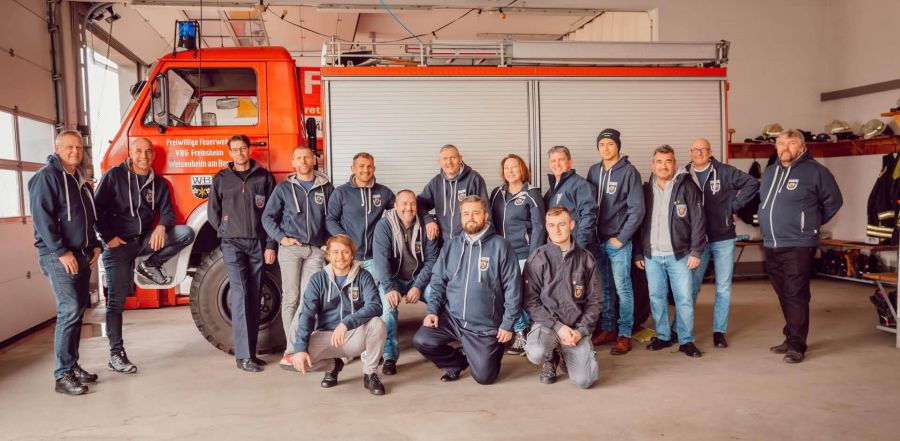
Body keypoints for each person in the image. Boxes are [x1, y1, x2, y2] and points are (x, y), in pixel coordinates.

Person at [94, 137, 195, 374]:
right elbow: (96, 210)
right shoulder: (114, 176)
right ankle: (116, 355)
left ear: (153, 155)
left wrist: (161, 227)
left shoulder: (157, 183)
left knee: (185, 233)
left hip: (143, 241)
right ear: (130, 153)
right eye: (139, 151)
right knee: (116, 303)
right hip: (118, 246)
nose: (144, 156)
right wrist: (108, 238)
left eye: (148, 151)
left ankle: (150, 265)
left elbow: (168, 212)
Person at [412, 196, 521, 385]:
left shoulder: (501, 247)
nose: (470, 217)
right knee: (422, 339)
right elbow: (438, 280)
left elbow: (513, 288)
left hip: (484, 326)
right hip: (453, 319)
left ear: (485, 215)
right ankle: (456, 362)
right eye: (466, 213)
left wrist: (507, 324)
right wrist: (432, 311)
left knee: (485, 378)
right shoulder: (451, 245)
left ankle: (492, 348)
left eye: (476, 213)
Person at [758, 129, 842, 364]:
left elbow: (834, 201)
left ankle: (797, 345)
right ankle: (790, 336)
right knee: (783, 292)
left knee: (796, 293)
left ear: (802, 147)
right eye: (780, 143)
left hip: (798, 244)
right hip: (771, 243)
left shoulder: (816, 171)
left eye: (791, 143)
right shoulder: (771, 171)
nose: (785, 147)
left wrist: (810, 224)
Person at [29, 130, 101, 395]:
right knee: (69, 309)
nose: (75, 151)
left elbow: (87, 218)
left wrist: (95, 245)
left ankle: (72, 365)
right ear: (57, 148)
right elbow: (42, 219)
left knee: (78, 310)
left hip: (81, 254)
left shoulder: (78, 179)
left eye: (79, 147)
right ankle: (62, 375)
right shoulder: (46, 177)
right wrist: (61, 252)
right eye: (69, 147)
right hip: (58, 255)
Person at [208, 135, 277, 372]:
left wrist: (270, 244)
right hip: (232, 244)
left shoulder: (264, 177)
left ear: (249, 150)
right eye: (235, 150)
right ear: (230, 153)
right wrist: (227, 232)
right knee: (240, 294)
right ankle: (244, 356)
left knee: (254, 295)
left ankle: (250, 354)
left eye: (243, 149)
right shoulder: (221, 179)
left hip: (258, 243)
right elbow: (213, 213)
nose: (239, 153)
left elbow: (272, 214)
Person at [261, 146, 334, 369]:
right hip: (291, 249)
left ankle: (302, 347)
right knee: (291, 299)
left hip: (316, 251)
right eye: (299, 158)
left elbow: (332, 218)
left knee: (308, 299)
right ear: (293, 163)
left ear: (314, 160)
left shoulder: (326, 188)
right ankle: (291, 350)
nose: (304, 161)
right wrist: (281, 239)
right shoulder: (283, 189)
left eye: (307, 157)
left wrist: (329, 245)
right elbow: (267, 217)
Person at [289, 234, 388, 395]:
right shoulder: (317, 279)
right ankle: (333, 366)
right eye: (335, 252)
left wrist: (347, 323)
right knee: (295, 361)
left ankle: (370, 374)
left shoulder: (363, 276)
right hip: (326, 337)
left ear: (352, 254)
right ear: (328, 255)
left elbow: (375, 306)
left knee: (378, 324)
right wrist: (300, 349)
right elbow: (307, 314)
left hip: (354, 336)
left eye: (345, 252)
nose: (340, 257)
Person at [685, 138, 759, 348]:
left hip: (723, 237)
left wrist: (734, 206)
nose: (699, 153)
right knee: (691, 287)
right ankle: (681, 328)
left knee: (723, 288)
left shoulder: (725, 172)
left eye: (703, 149)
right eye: (695, 149)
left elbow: (752, 183)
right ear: (690, 152)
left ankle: (719, 331)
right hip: (697, 241)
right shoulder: (684, 174)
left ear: (710, 152)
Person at [633, 145, 706, 358]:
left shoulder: (687, 186)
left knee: (684, 298)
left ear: (674, 164)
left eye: (668, 161)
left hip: (680, 255)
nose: (663, 166)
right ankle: (663, 336)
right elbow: (639, 223)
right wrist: (639, 252)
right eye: (659, 161)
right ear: (653, 165)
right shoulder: (645, 190)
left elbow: (699, 221)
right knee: (656, 297)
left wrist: (696, 251)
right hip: (652, 256)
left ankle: (686, 341)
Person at [523, 206, 602, 388]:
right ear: (546, 226)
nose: (557, 230)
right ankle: (551, 357)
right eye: (551, 225)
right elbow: (530, 301)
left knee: (585, 381)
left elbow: (595, 301)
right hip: (548, 325)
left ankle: (566, 353)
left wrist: (581, 331)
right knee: (536, 352)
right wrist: (558, 327)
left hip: (576, 328)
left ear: (572, 225)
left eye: (562, 224)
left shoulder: (586, 259)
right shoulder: (538, 258)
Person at [586, 129, 645, 354]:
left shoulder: (629, 172)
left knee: (623, 289)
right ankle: (608, 329)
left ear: (618, 146)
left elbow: (637, 210)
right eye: (602, 144)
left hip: (618, 243)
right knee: (605, 289)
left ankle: (624, 334)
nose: (606, 148)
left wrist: (622, 239)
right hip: (597, 242)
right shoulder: (594, 171)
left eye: (610, 144)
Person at [371, 190, 440, 375]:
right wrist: (389, 288)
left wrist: (418, 286)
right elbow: (381, 261)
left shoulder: (426, 226)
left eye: (412, 204)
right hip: (393, 280)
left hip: (418, 279)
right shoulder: (384, 226)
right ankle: (389, 357)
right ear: (395, 206)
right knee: (388, 310)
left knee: (439, 297)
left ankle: (437, 346)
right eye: (404, 204)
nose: (408, 208)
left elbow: (432, 260)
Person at [489, 154, 545, 354]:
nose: (510, 171)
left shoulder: (532, 194)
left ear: (522, 169)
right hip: (501, 254)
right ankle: (520, 329)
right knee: (504, 293)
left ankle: (523, 332)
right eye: (507, 167)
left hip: (523, 254)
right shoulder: (497, 193)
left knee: (520, 294)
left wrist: (533, 256)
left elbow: (539, 227)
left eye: (514, 166)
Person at [326, 152, 395, 277]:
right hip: (349, 257)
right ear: (353, 168)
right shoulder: (341, 192)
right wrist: (345, 239)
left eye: (369, 166)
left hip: (374, 257)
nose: (366, 170)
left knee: (373, 289)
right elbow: (330, 220)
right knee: (351, 289)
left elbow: (401, 211)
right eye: (361, 166)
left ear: (374, 169)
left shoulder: (384, 192)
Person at [417, 144, 488, 246]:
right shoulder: (436, 182)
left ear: (460, 158)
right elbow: (418, 204)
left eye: (453, 157)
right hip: (444, 243)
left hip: (469, 242)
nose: (449, 162)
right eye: (445, 159)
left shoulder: (474, 179)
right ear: (439, 162)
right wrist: (428, 220)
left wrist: (483, 242)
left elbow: (486, 211)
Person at [543, 145, 598, 249]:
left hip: (575, 249)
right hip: (558, 249)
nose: (557, 164)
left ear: (570, 162)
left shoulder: (580, 185)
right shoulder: (551, 191)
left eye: (561, 159)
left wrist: (578, 248)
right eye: (553, 161)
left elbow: (588, 218)